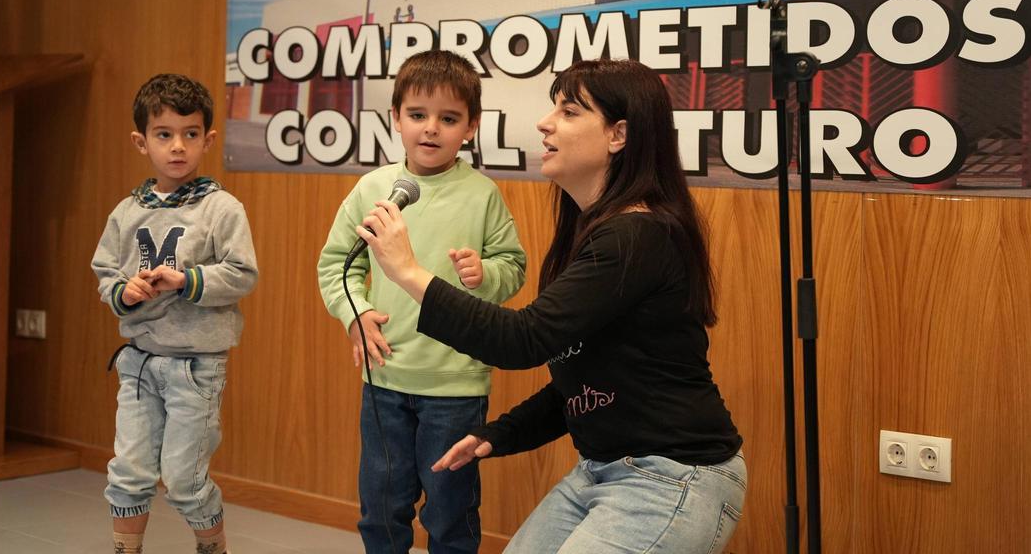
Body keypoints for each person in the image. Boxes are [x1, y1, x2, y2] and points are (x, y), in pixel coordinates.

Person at [356, 58, 746, 553]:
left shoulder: (637, 235)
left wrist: (408, 272)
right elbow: (589, 380)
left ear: (618, 135)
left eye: (568, 111)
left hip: (672, 476)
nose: (545, 123)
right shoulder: (600, 232)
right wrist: (501, 434)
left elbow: (523, 340)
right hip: (598, 470)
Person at [317, 50, 527, 553]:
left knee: (450, 513)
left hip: (456, 384)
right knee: (381, 509)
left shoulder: (482, 194)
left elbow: (513, 267)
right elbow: (337, 266)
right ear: (396, 117)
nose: (431, 128)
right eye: (417, 114)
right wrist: (355, 312)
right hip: (384, 379)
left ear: (471, 127)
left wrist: (485, 274)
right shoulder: (372, 188)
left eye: (448, 118)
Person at [92, 73, 258, 554]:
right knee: (128, 472)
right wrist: (124, 291)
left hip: (195, 367)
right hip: (139, 362)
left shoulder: (221, 208)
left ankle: (213, 547)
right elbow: (105, 271)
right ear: (141, 142)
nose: (178, 146)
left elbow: (243, 274)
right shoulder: (126, 212)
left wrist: (187, 280)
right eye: (164, 134)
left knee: (184, 480)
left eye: (190, 134)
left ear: (208, 139)